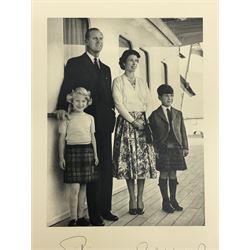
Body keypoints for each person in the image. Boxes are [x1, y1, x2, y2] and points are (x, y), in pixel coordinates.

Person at [56, 28, 118, 226]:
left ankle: (105, 208)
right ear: (86, 41)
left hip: (105, 124)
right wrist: (60, 107)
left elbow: (108, 96)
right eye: (95, 39)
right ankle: (93, 214)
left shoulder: (106, 68)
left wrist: (113, 114)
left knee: (106, 166)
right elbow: (66, 87)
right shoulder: (75, 63)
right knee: (93, 170)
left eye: (101, 39)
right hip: (86, 123)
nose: (99, 42)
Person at [112, 49, 157, 215]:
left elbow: (149, 102)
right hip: (126, 123)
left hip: (143, 124)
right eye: (130, 60)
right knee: (130, 162)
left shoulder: (142, 82)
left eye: (136, 61)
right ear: (123, 62)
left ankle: (140, 198)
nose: (134, 63)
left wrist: (144, 121)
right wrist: (132, 121)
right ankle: (132, 198)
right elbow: (118, 103)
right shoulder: (118, 81)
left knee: (142, 163)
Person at [58, 87, 99, 226]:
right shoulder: (67, 118)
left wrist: (96, 155)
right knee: (74, 188)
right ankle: (73, 218)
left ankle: (81, 217)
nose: (80, 104)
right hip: (72, 152)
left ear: (87, 102)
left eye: (83, 101)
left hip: (87, 152)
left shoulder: (90, 118)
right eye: (77, 101)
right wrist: (61, 157)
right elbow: (62, 138)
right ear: (71, 101)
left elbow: (92, 137)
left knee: (83, 188)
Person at [149, 84, 189, 213]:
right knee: (164, 173)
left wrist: (185, 147)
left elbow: (182, 131)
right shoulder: (154, 115)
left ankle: (173, 200)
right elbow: (153, 135)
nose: (169, 98)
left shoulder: (178, 113)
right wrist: (155, 149)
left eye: (171, 96)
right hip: (163, 149)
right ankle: (165, 202)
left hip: (176, 148)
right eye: (166, 96)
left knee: (173, 173)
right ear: (160, 97)